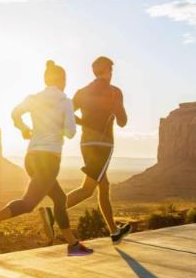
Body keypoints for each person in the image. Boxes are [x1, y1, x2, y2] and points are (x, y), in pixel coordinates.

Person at [0, 60, 93, 256]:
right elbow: (70, 133)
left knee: (59, 198)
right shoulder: (65, 102)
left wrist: (25, 129)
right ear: (62, 80)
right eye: (65, 79)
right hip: (49, 160)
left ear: (45, 80)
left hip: (31, 158)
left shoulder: (33, 98)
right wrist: (65, 122)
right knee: (28, 204)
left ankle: (73, 244)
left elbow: (15, 113)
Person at [40, 56, 131, 245]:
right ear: (108, 70)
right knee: (88, 189)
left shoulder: (82, 92)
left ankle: (114, 230)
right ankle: (52, 213)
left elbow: (67, 112)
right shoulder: (114, 92)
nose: (112, 73)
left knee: (103, 186)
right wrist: (115, 108)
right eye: (111, 70)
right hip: (103, 145)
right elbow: (123, 121)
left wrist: (83, 122)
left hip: (86, 144)